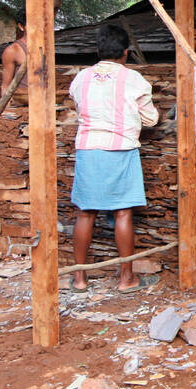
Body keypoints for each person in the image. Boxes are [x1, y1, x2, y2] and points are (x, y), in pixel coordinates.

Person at [67, 24, 159, 293]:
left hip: (88, 149)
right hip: (120, 149)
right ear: (126, 53)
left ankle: (79, 279)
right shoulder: (134, 81)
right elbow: (150, 118)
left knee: (85, 213)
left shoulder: (81, 79)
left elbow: (79, 107)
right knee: (122, 212)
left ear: (98, 51)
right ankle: (126, 278)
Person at [0, 20, 28, 104]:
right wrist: (6, 107)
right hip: (24, 102)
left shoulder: (46, 47)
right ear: (21, 27)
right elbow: (6, 85)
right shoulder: (13, 51)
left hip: (46, 102)